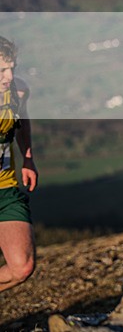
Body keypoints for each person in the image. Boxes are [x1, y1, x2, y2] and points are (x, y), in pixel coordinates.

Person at [0, 36, 38, 292]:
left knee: (22, 267)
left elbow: (22, 121)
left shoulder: (18, 91)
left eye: (12, 67)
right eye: (2, 70)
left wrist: (27, 157)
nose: (10, 76)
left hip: (5, 187)